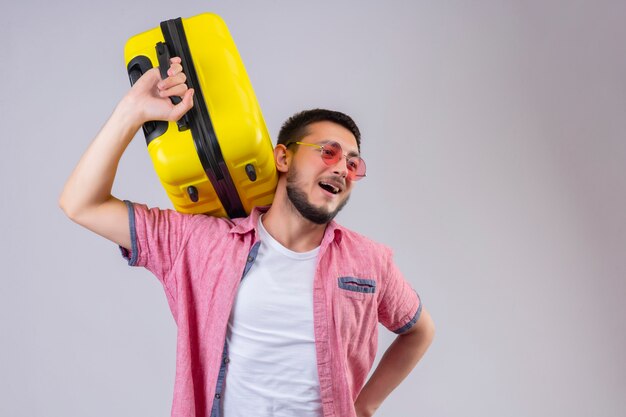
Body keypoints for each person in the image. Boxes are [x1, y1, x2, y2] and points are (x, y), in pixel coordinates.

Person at [59, 57, 435, 417]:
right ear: (283, 158)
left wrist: (365, 406)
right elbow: (81, 204)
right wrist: (132, 111)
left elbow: (419, 331)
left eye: (353, 163)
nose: (341, 168)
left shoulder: (370, 260)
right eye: (328, 152)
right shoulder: (199, 242)